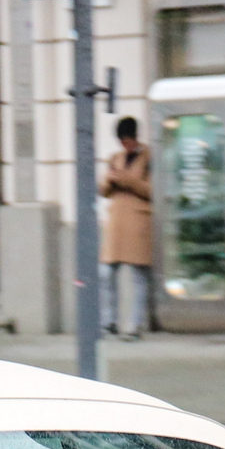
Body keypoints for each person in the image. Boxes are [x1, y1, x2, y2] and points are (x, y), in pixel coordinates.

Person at [99, 115, 154, 340]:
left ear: (135, 137)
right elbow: (103, 190)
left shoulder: (150, 157)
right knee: (106, 273)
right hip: (117, 223)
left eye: (128, 140)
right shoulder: (115, 158)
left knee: (139, 276)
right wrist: (110, 181)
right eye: (122, 141)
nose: (125, 145)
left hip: (138, 222)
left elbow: (152, 191)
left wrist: (127, 179)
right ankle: (108, 320)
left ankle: (135, 324)